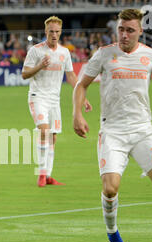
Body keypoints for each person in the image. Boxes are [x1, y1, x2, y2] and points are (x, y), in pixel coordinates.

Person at [73, 8, 152, 242]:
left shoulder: (151, 56)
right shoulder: (104, 55)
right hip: (112, 132)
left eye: (130, 30)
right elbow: (81, 84)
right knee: (110, 189)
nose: (124, 34)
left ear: (140, 30)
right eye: (121, 29)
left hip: (143, 130)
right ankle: (113, 232)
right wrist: (78, 114)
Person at [22, 16, 91, 187]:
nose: (54, 34)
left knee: (53, 137)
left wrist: (82, 98)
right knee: (44, 131)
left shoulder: (64, 52)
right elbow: (24, 74)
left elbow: (71, 76)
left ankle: (49, 175)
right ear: (46, 32)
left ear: (61, 32)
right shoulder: (36, 51)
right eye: (51, 31)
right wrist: (39, 66)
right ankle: (41, 174)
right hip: (38, 97)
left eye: (57, 32)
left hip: (54, 101)